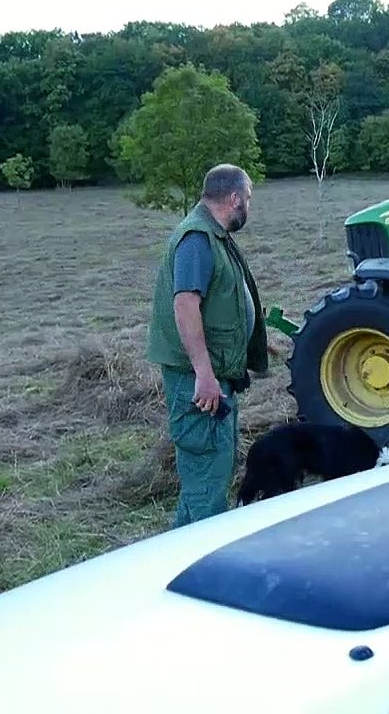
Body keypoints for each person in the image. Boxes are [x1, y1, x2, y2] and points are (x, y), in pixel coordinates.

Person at [146, 164, 268, 527]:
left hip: (215, 374)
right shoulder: (197, 240)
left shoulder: (213, 236)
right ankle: (209, 563)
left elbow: (217, 301)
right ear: (234, 199)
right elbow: (185, 304)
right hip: (199, 382)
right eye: (247, 199)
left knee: (209, 474)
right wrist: (204, 373)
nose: (248, 206)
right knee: (207, 481)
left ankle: (175, 552)